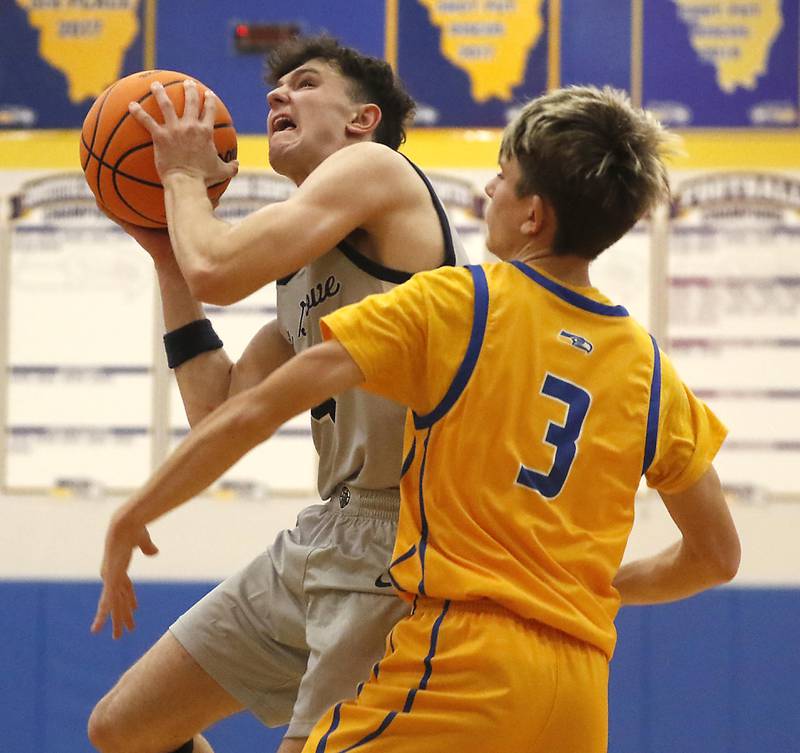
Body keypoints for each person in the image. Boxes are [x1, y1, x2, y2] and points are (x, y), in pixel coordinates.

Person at [92, 83, 741, 753]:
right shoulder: (651, 370)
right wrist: (596, 589)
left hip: (463, 661)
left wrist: (134, 509)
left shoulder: (458, 305)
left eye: (504, 180)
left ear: (532, 217)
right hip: (579, 691)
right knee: (128, 726)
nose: (489, 190)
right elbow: (716, 556)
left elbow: (255, 409)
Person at [87, 36, 467, 753]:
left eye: (305, 83)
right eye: (276, 88)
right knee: (125, 728)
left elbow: (219, 270)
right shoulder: (301, 275)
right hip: (329, 528)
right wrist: (169, 256)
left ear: (361, 120)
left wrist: (178, 179)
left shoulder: (378, 170)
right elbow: (218, 414)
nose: (275, 97)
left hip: (405, 537)